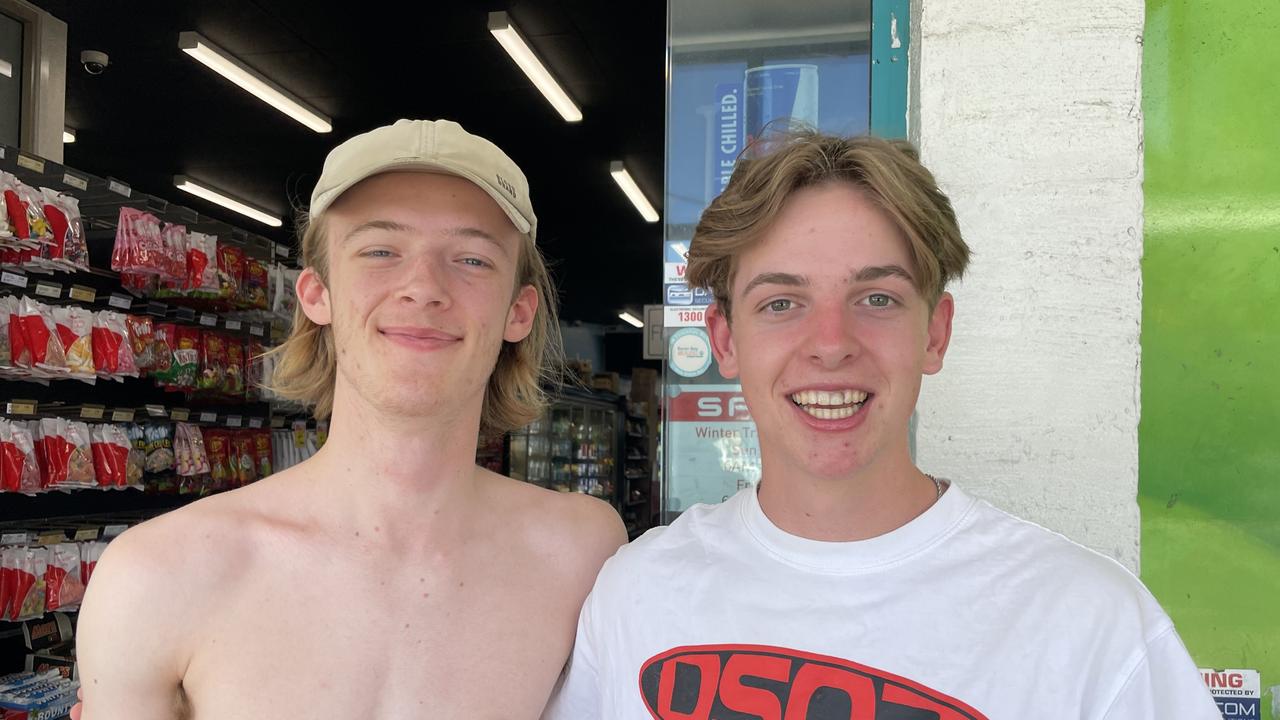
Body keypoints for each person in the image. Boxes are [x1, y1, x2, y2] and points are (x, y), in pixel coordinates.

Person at [543, 130, 1219, 719]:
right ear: (726, 340)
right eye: (781, 302)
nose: (831, 343)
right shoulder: (637, 596)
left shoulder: (1092, 626)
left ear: (936, 333)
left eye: (877, 298)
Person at [74, 119, 626, 719]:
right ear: (316, 295)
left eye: (471, 258)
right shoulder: (155, 577)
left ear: (519, 312)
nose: (422, 288)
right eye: (380, 251)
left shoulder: (583, 554)